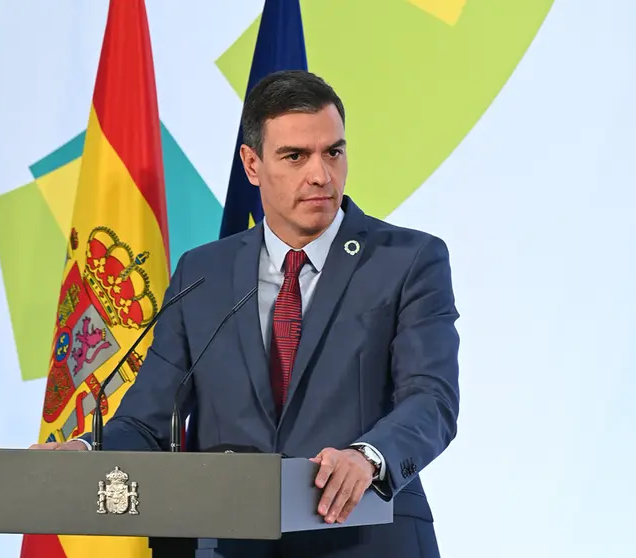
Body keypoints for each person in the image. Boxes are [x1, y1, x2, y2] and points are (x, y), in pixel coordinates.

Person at [30, 69, 460, 557]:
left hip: (365, 538)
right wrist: (85, 453)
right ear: (252, 165)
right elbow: (148, 421)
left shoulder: (408, 260)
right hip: (227, 544)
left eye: (333, 152)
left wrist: (368, 458)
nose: (320, 174)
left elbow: (431, 400)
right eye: (295, 156)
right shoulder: (203, 274)